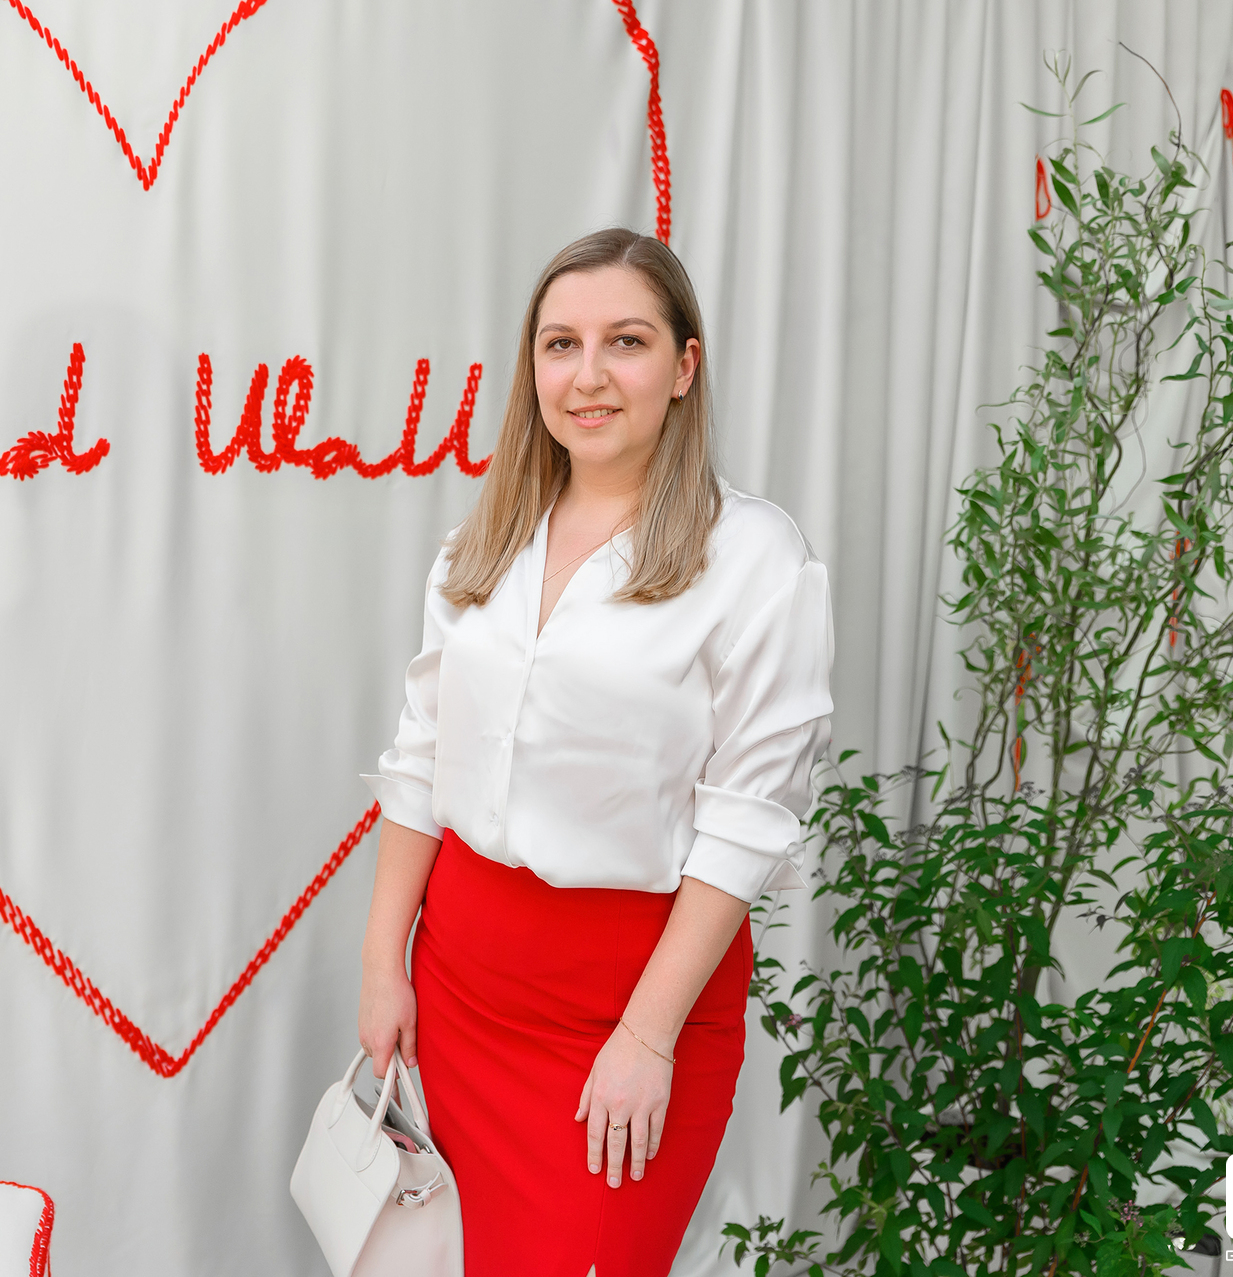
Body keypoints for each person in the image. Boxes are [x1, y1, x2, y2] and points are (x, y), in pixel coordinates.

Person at [356, 227, 835, 1276]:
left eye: (626, 341)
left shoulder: (756, 559)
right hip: (459, 990)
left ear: (684, 366)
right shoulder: (482, 544)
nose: (588, 375)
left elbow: (748, 819)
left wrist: (648, 1036)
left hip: (628, 1008)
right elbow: (421, 757)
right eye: (560, 344)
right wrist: (382, 965)